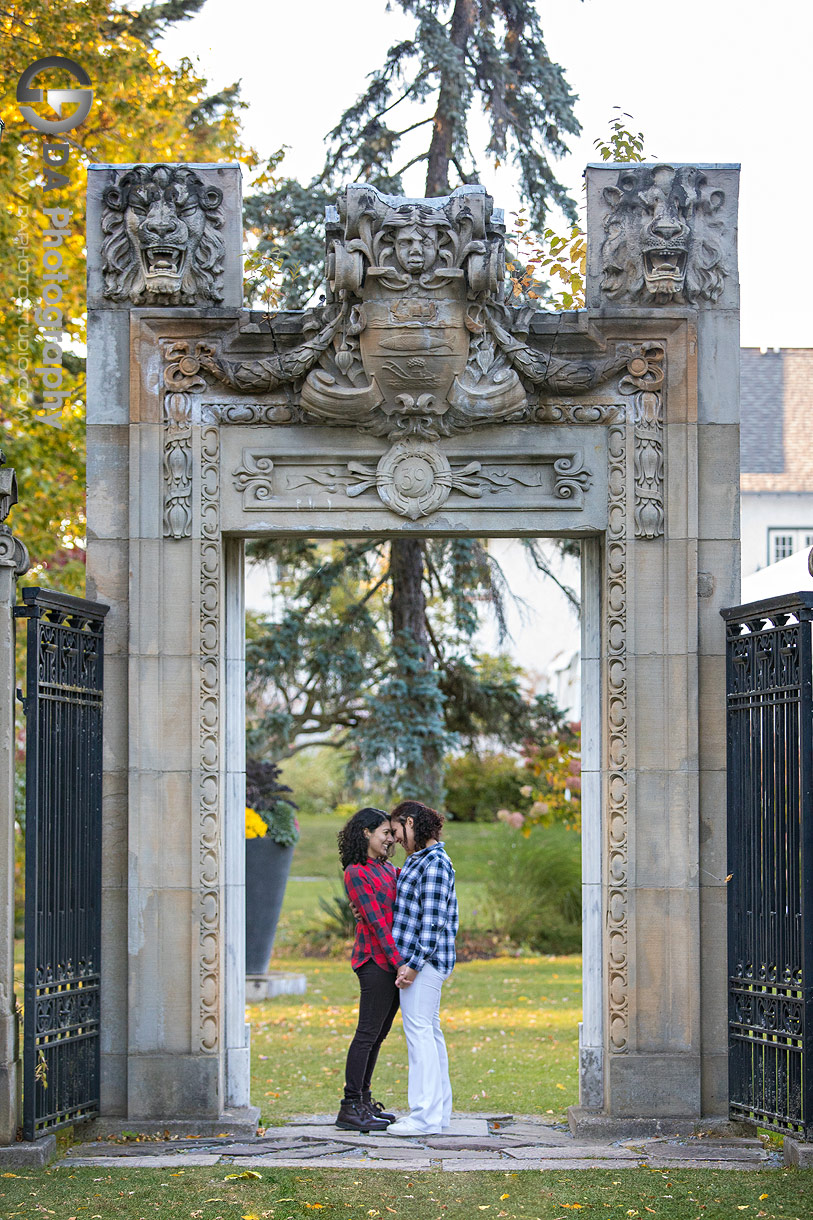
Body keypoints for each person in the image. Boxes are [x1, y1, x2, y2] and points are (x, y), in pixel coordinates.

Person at [386, 799, 459, 1136]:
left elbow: (432, 924)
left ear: (410, 822)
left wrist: (413, 966)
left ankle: (424, 1117)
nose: (396, 837)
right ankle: (438, 1113)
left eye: (397, 830)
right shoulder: (421, 861)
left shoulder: (434, 865)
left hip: (425, 963)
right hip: (423, 962)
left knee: (419, 1035)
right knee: (429, 1032)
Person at [335, 807, 403, 1133]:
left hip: (390, 962)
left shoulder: (387, 869)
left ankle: (363, 1100)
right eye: (386, 833)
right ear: (367, 833)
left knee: (378, 1035)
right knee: (366, 1035)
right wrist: (399, 963)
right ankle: (350, 1106)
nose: (391, 839)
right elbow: (377, 924)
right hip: (375, 962)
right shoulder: (357, 872)